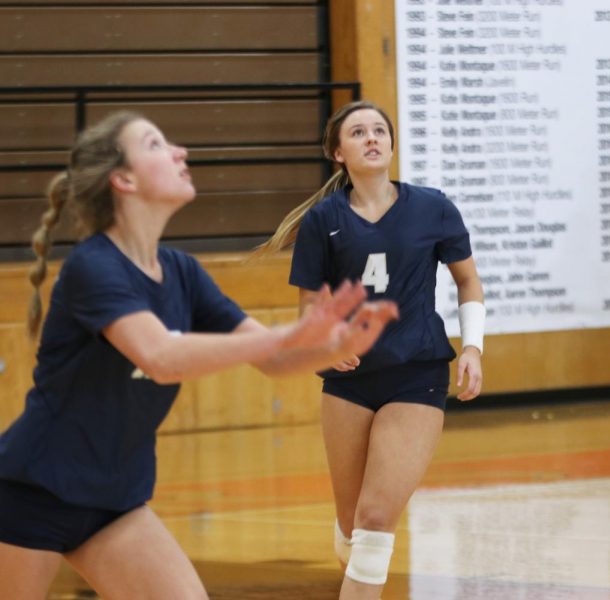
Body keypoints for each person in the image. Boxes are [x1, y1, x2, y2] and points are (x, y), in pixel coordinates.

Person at [0, 111, 398, 600]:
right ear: (122, 179)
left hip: (115, 498)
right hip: (33, 492)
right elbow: (161, 355)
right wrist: (285, 335)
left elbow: (274, 361)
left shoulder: (181, 272)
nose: (179, 152)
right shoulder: (93, 266)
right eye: (155, 145)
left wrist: (330, 344)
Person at [254, 100, 485, 599]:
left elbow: (468, 283)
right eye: (358, 132)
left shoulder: (433, 207)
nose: (372, 138)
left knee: (377, 518)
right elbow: (311, 311)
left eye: (380, 130)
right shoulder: (323, 220)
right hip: (350, 382)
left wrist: (472, 348)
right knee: (353, 524)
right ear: (337, 152)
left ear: (392, 144)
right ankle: (351, 547)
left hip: (417, 373)